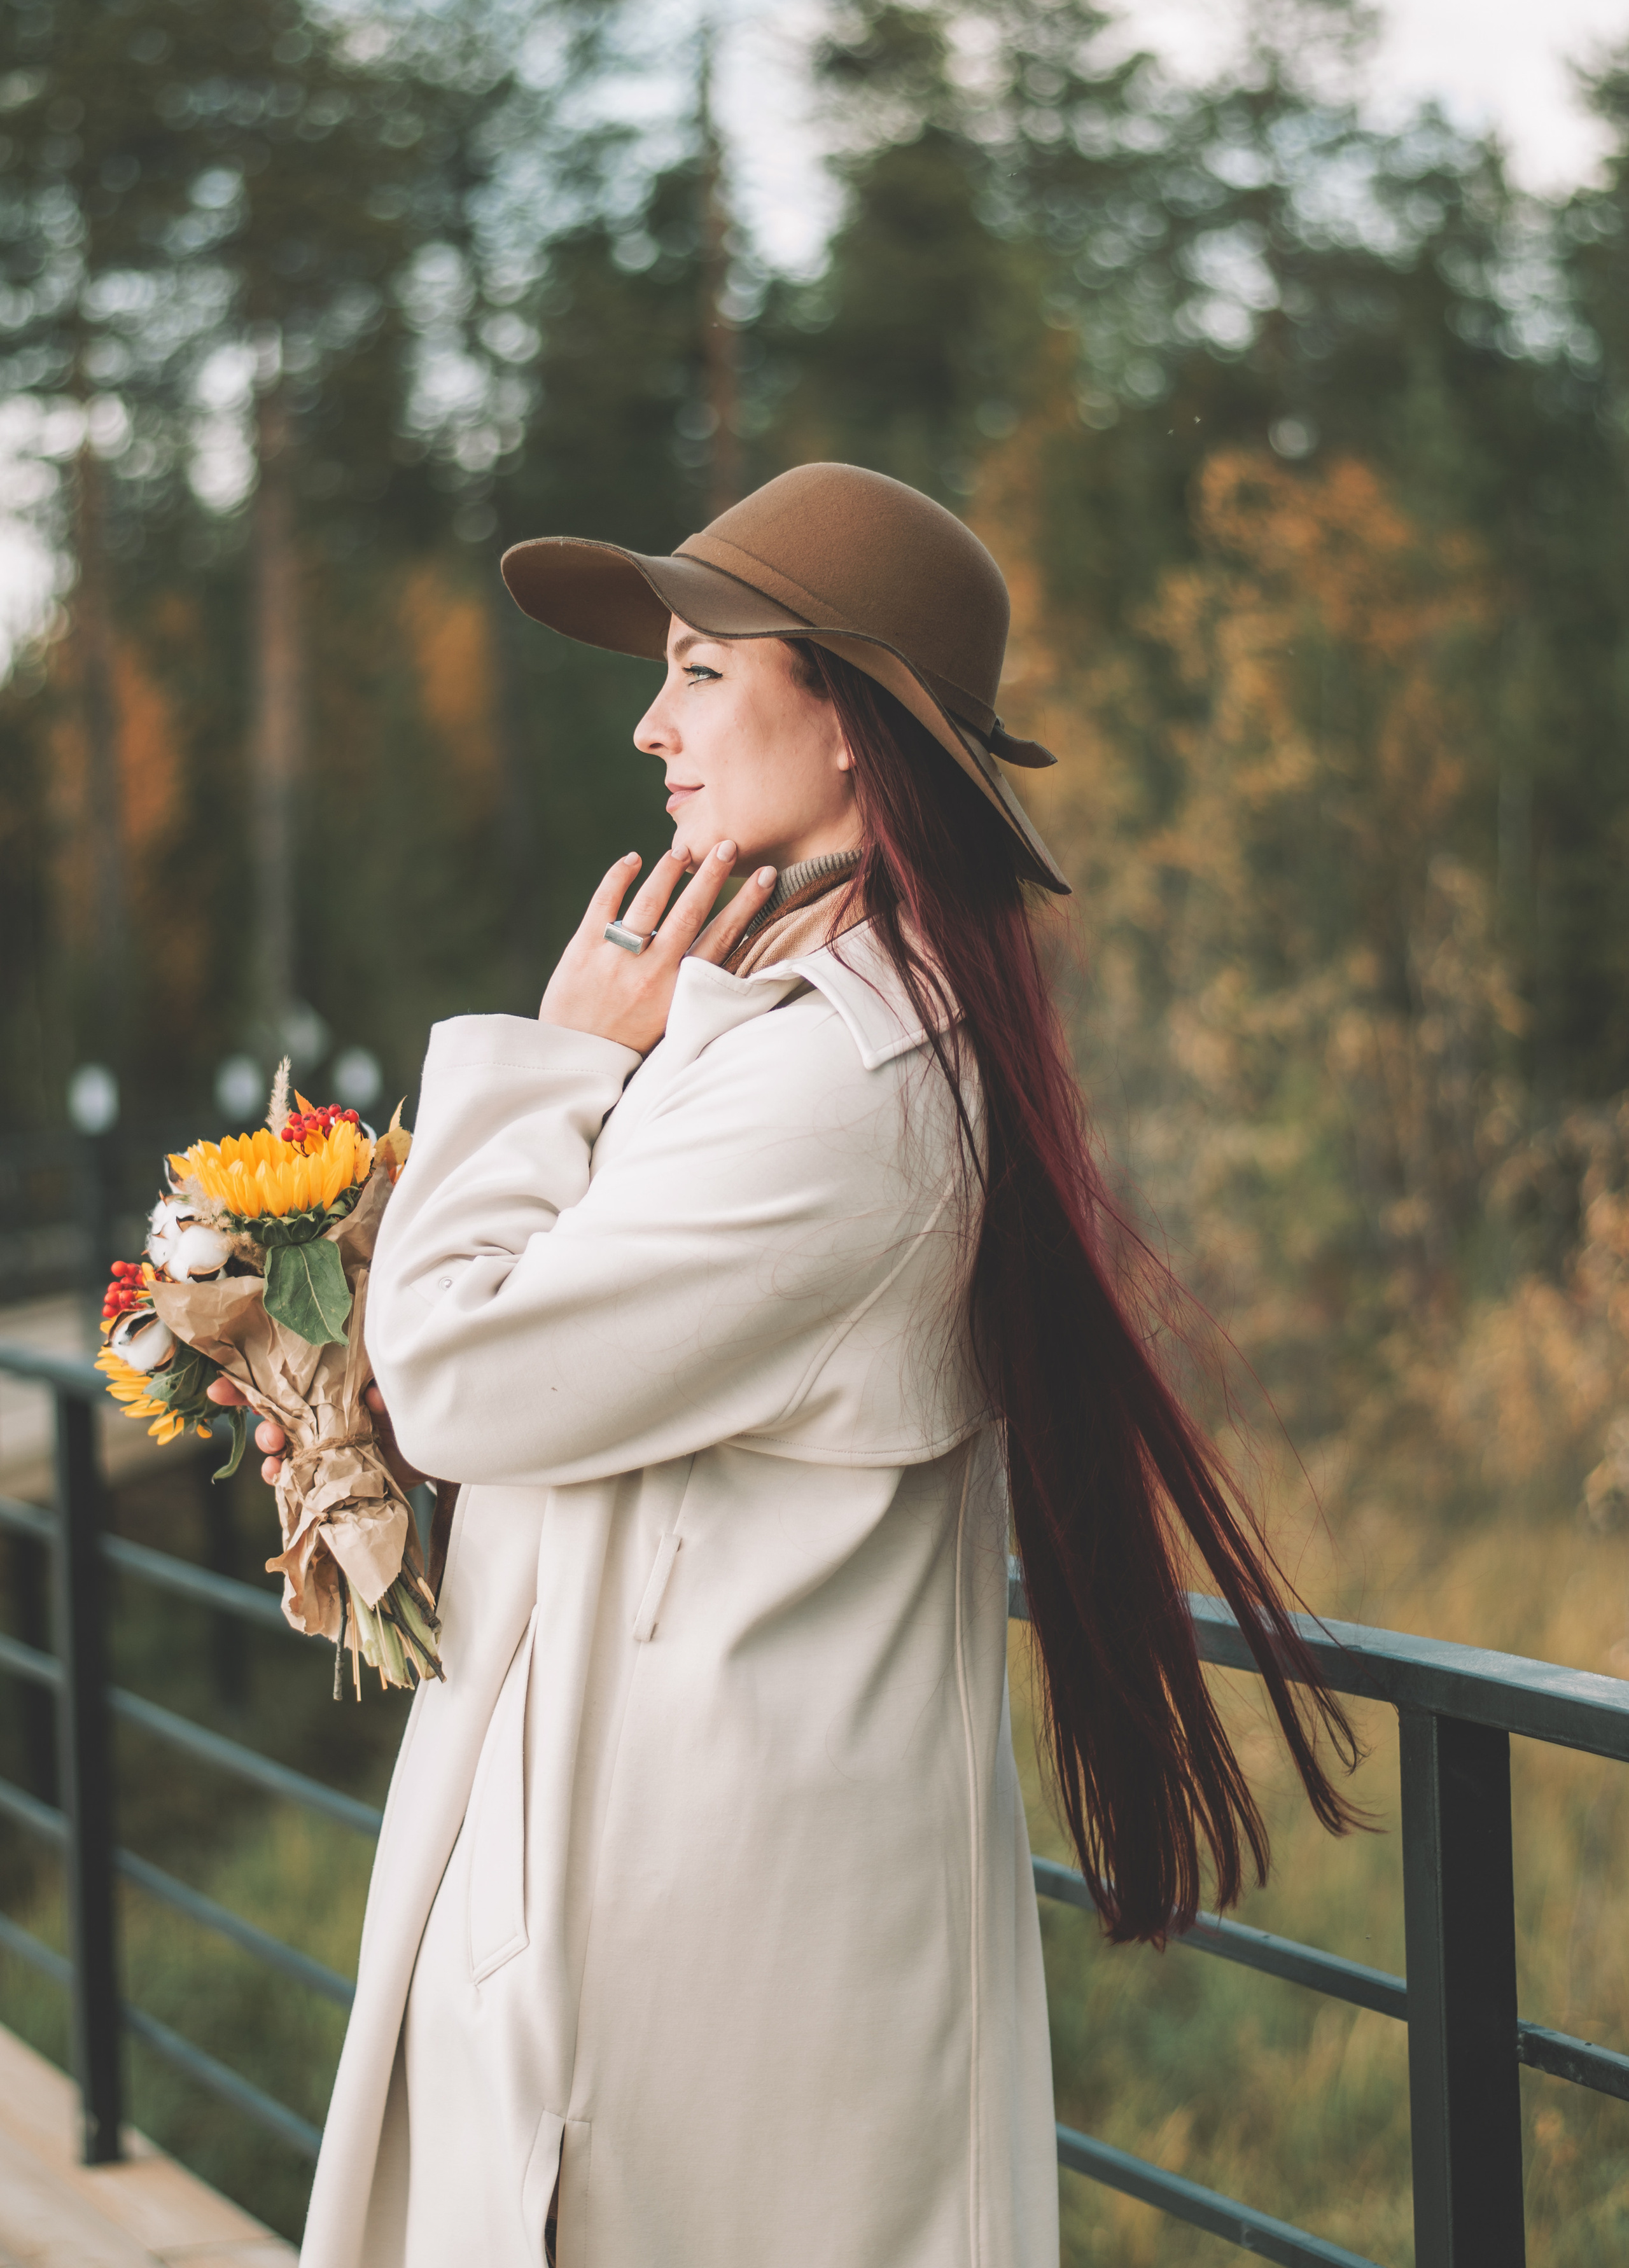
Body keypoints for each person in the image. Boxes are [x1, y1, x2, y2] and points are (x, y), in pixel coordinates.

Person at [218, 461, 1354, 2268]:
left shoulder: (847, 1089)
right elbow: (569, 1395)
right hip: (624, 1905)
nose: (651, 727)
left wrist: (549, 1053)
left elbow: (469, 1376)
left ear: (851, 727)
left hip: (691, 1968)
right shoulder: (766, 1036)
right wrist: (350, 1419)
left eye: (699, 672)